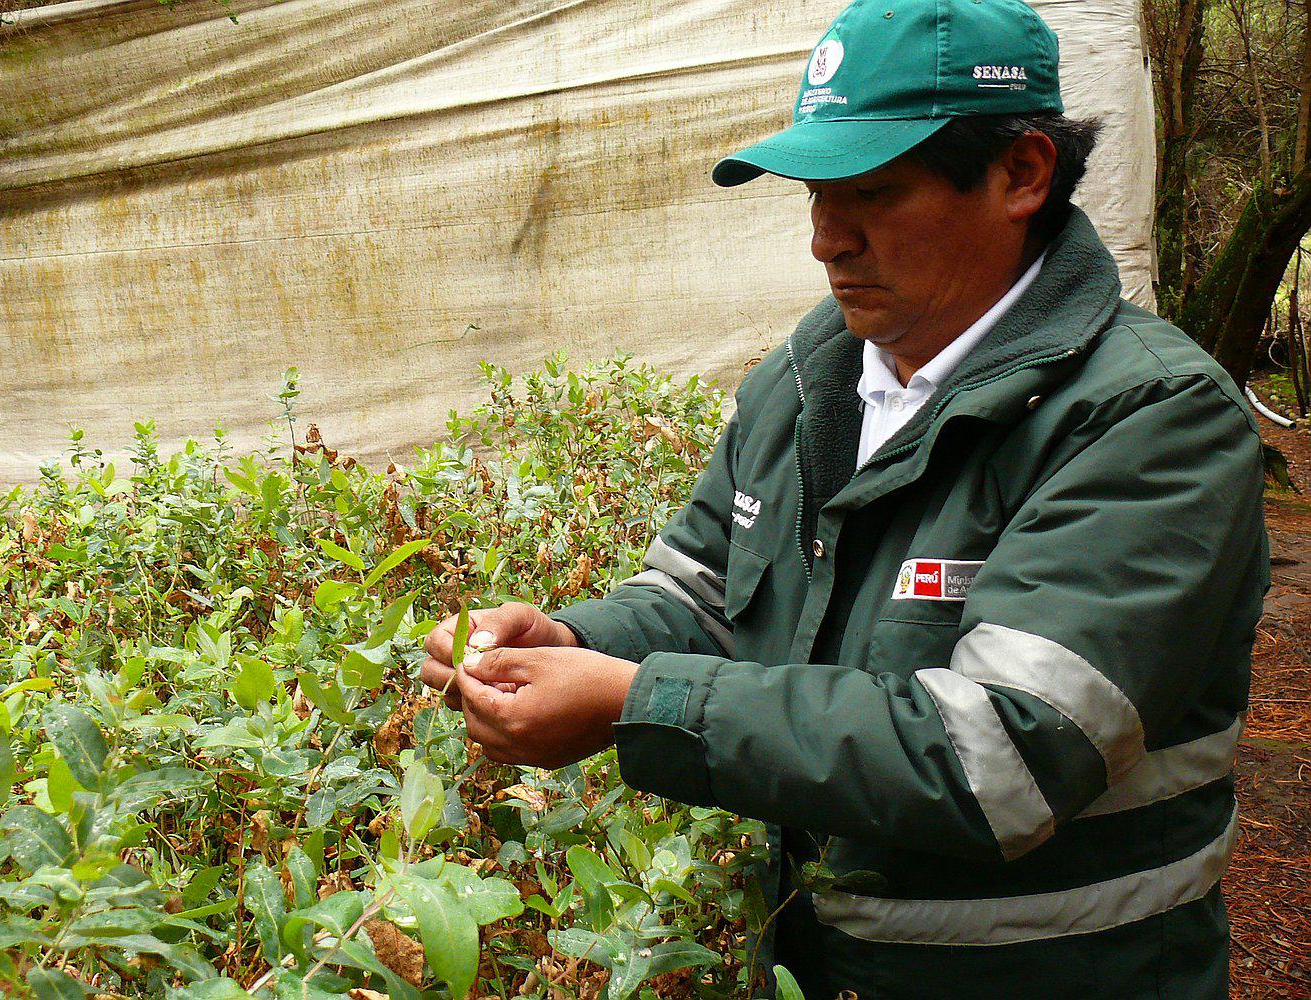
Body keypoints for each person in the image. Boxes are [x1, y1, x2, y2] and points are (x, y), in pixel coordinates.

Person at [420, 0, 1270, 996]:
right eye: (817, 194)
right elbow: (703, 594)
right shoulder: (813, 377)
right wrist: (577, 642)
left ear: (1022, 173)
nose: (827, 240)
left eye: (872, 192)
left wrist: (637, 703)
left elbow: (999, 758)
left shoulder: (1146, 418)